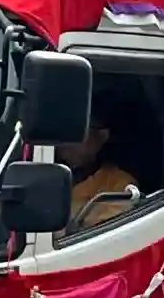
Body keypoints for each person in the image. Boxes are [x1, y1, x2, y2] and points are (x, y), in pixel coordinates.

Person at [57, 92, 142, 231]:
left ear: (102, 136)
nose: (67, 138)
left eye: (78, 130)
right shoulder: (43, 172)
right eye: (63, 129)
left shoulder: (120, 183)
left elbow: (102, 232)